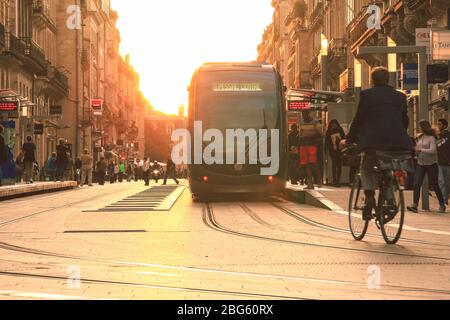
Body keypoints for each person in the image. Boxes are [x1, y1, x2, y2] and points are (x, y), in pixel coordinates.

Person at [342, 67, 413, 220]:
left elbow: (358, 120)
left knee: (366, 167)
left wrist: (349, 139)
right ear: (388, 79)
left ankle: (369, 196)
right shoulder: (400, 97)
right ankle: (390, 200)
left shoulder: (367, 95)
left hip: (374, 143)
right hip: (399, 143)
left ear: (372, 80)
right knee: (389, 169)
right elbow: (404, 121)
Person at [407, 120, 446, 213]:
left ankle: (442, 204)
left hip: (431, 164)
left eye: (421, 126)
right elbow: (418, 147)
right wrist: (416, 151)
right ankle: (415, 205)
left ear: (424, 127)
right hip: (421, 163)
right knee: (417, 184)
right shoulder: (421, 137)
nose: (419, 128)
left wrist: (421, 149)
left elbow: (433, 150)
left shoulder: (431, 138)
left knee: (435, 184)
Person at [299, 110, 323, 189]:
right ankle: (310, 184)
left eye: (305, 114)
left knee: (314, 164)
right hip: (304, 145)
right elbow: (300, 133)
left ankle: (319, 180)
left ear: (309, 114)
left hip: (312, 145)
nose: (304, 115)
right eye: (303, 114)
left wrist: (316, 142)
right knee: (306, 165)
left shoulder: (315, 122)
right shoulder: (301, 122)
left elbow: (320, 133)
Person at [325, 119, 346, 187]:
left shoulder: (339, 130)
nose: (334, 126)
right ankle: (335, 180)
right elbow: (327, 141)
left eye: (334, 124)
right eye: (332, 124)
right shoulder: (330, 131)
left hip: (339, 150)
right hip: (333, 150)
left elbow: (343, 138)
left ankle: (337, 180)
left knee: (338, 164)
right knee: (335, 164)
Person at [437, 118, 450, 206]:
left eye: (439, 124)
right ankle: (442, 202)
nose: (438, 126)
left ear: (444, 126)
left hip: (448, 162)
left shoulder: (449, 135)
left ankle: (445, 199)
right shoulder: (436, 135)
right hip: (438, 162)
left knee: (447, 183)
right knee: (441, 181)